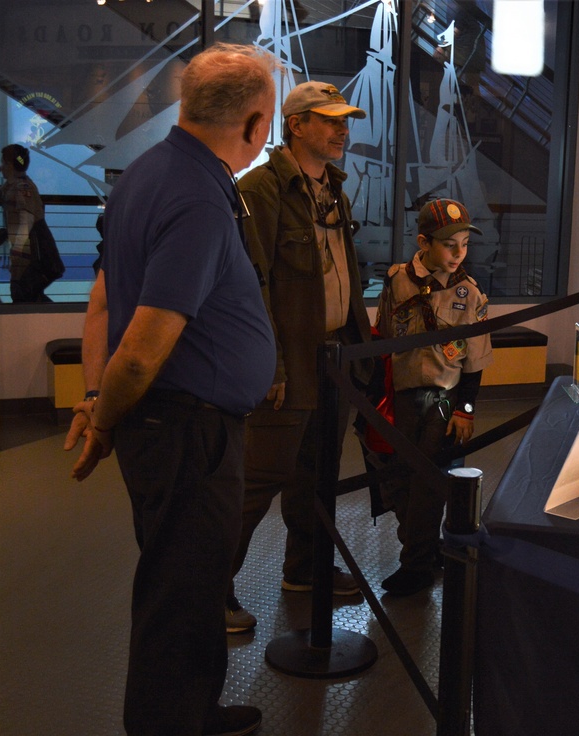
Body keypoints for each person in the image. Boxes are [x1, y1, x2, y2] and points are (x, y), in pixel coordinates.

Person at [63, 43, 279, 736]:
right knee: (181, 590)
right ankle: (170, 724)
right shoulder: (198, 199)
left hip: (170, 424)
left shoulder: (145, 175)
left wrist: (98, 401)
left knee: (183, 578)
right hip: (189, 428)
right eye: (266, 121)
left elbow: (101, 304)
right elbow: (142, 346)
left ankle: (190, 711)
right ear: (252, 124)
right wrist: (103, 418)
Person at [226, 81, 373, 633]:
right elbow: (252, 287)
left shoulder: (333, 187)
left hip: (334, 359)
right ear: (296, 125)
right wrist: (273, 369)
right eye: (330, 120)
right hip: (288, 363)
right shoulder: (261, 191)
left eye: (344, 120)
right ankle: (210, 591)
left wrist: (361, 354)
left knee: (317, 475)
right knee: (258, 481)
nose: (342, 130)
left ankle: (306, 569)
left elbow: (347, 278)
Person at [375, 198, 493, 596]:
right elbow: (385, 339)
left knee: (428, 481)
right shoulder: (398, 280)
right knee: (399, 479)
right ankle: (423, 549)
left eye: (465, 244)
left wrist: (466, 408)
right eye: (449, 245)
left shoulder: (470, 294)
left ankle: (416, 566)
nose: (459, 253)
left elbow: (474, 362)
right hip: (404, 397)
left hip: (445, 400)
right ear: (424, 242)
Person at [0, 143, 62, 302]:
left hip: (29, 254)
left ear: (10, 165)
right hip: (26, 252)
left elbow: (26, 221)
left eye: (4, 163)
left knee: (21, 293)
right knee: (28, 295)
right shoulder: (13, 186)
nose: (1, 167)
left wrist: (17, 252)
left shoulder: (22, 188)